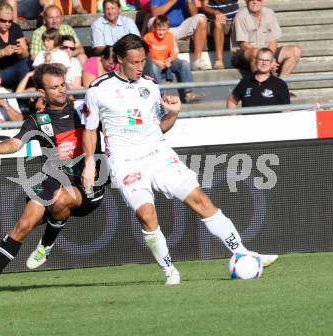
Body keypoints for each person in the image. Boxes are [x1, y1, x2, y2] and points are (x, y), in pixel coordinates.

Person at [81, 34, 278, 285]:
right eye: (134, 62)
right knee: (146, 215)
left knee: (199, 199)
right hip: (126, 161)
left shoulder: (150, 86)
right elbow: (89, 129)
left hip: (158, 155)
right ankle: (169, 271)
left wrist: (173, 114)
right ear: (119, 60)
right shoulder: (98, 90)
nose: (141, 66)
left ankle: (242, 251)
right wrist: (89, 163)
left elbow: (159, 128)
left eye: (143, 60)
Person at [0, 63, 106, 294]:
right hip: (54, 180)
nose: (62, 90)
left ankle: (46, 244)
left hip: (89, 184)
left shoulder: (85, 110)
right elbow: (15, 143)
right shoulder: (37, 121)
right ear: (42, 93)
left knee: (60, 200)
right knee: (23, 225)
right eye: (55, 87)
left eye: (63, 85)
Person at [232, 0, 302, 77]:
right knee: (255, 52)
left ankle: (281, 83)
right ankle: (260, 86)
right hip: (244, 55)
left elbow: (273, 40)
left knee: (296, 50)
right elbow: (243, 44)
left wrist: (270, 58)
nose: (255, 2)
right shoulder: (240, 16)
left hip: (266, 52)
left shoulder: (269, 13)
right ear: (246, 1)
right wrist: (266, 58)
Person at [144, 15, 204, 103]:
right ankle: (161, 95)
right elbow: (144, 55)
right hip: (154, 63)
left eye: (163, 30)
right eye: (159, 30)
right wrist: (157, 62)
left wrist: (168, 60)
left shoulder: (170, 36)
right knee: (153, 67)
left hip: (167, 62)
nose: (161, 33)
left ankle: (188, 93)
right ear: (154, 28)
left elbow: (175, 54)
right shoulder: (147, 37)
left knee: (184, 64)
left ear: (168, 29)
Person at [149, 0, 211, 70]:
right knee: (152, 21)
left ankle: (197, 61)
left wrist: (189, 2)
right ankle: (158, 58)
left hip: (179, 28)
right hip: (162, 30)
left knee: (201, 18)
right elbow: (155, 13)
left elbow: (194, 13)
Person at [200, 0, 239, 69]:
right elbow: (204, 6)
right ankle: (219, 59)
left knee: (243, 19)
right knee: (218, 22)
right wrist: (216, 12)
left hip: (235, 17)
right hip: (215, 18)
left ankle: (240, 57)